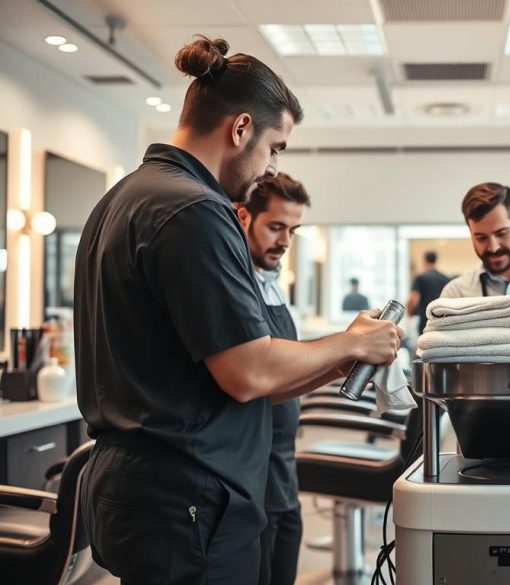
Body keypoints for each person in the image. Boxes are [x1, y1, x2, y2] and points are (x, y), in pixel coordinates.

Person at [74, 36, 402, 585]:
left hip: (140, 490)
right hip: (189, 500)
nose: (270, 170)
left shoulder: (124, 197)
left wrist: (338, 362)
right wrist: (349, 343)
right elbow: (248, 371)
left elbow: (235, 378)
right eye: (275, 148)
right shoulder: (196, 210)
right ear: (241, 128)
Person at [236, 172, 309, 585]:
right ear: (245, 216)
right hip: (254, 470)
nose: (284, 241)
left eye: (292, 230)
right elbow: (256, 374)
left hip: (284, 467)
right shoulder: (237, 285)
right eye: (276, 227)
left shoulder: (273, 284)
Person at [406, 250, 452, 335]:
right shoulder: (445, 278)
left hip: (425, 321)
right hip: (441, 321)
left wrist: (409, 315)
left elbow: (413, 298)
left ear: (424, 260)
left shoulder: (420, 277)